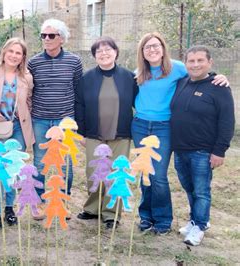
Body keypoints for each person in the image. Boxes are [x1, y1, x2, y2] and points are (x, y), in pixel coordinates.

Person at [132, 32, 228, 235]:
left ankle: (163, 219)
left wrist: (218, 76)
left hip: (164, 127)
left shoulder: (177, 68)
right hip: (140, 125)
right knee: (145, 172)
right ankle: (145, 216)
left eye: (156, 45)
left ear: (163, 48)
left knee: (158, 175)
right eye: (147, 47)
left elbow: (199, 72)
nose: (152, 49)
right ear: (142, 51)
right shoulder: (139, 72)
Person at [171, 45, 234, 246]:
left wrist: (219, 151)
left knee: (201, 190)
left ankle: (200, 225)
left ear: (210, 63)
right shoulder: (182, 83)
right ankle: (194, 220)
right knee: (189, 188)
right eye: (191, 61)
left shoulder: (219, 87)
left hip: (202, 152)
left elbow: (227, 121)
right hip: (180, 149)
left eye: (200, 60)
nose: (195, 64)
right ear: (185, 63)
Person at [74, 36, 138, 229]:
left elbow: (139, 103)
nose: (104, 53)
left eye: (107, 49)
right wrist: (82, 133)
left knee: (115, 174)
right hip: (94, 135)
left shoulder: (129, 77)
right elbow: (80, 106)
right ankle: (92, 208)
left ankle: (111, 213)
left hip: (121, 134)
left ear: (116, 52)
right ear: (94, 56)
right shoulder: (86, 78)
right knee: (94, 172)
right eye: (99, 51)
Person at [28, 18, 83, 220]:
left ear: (62, 38)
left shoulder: (74, 62)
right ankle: (40, 204)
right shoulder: (33, 62)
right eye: (44, 35)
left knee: (65, 164)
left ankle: (62, 202)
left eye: (51, 35)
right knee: (40, 163)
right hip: (40, 120)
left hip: (65, 121)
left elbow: (77, 90)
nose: (47, 39)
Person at [0, 37, 34, 230]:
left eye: (18, 53)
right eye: (11, 51)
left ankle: (9, 208)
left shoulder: (26, 77)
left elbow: (29, 103)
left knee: (13, 172)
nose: (13, 55)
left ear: (22, 57)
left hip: (18, 128)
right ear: (4, 52)